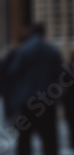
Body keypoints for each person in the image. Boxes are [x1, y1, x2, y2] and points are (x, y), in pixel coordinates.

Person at [7, 22, 63, 155]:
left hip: (26, 101)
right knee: (49, 139)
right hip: (46, 100)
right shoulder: (52, 50)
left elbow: (13, 72)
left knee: (24, 138)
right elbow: (60, 75)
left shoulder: (24, 49)